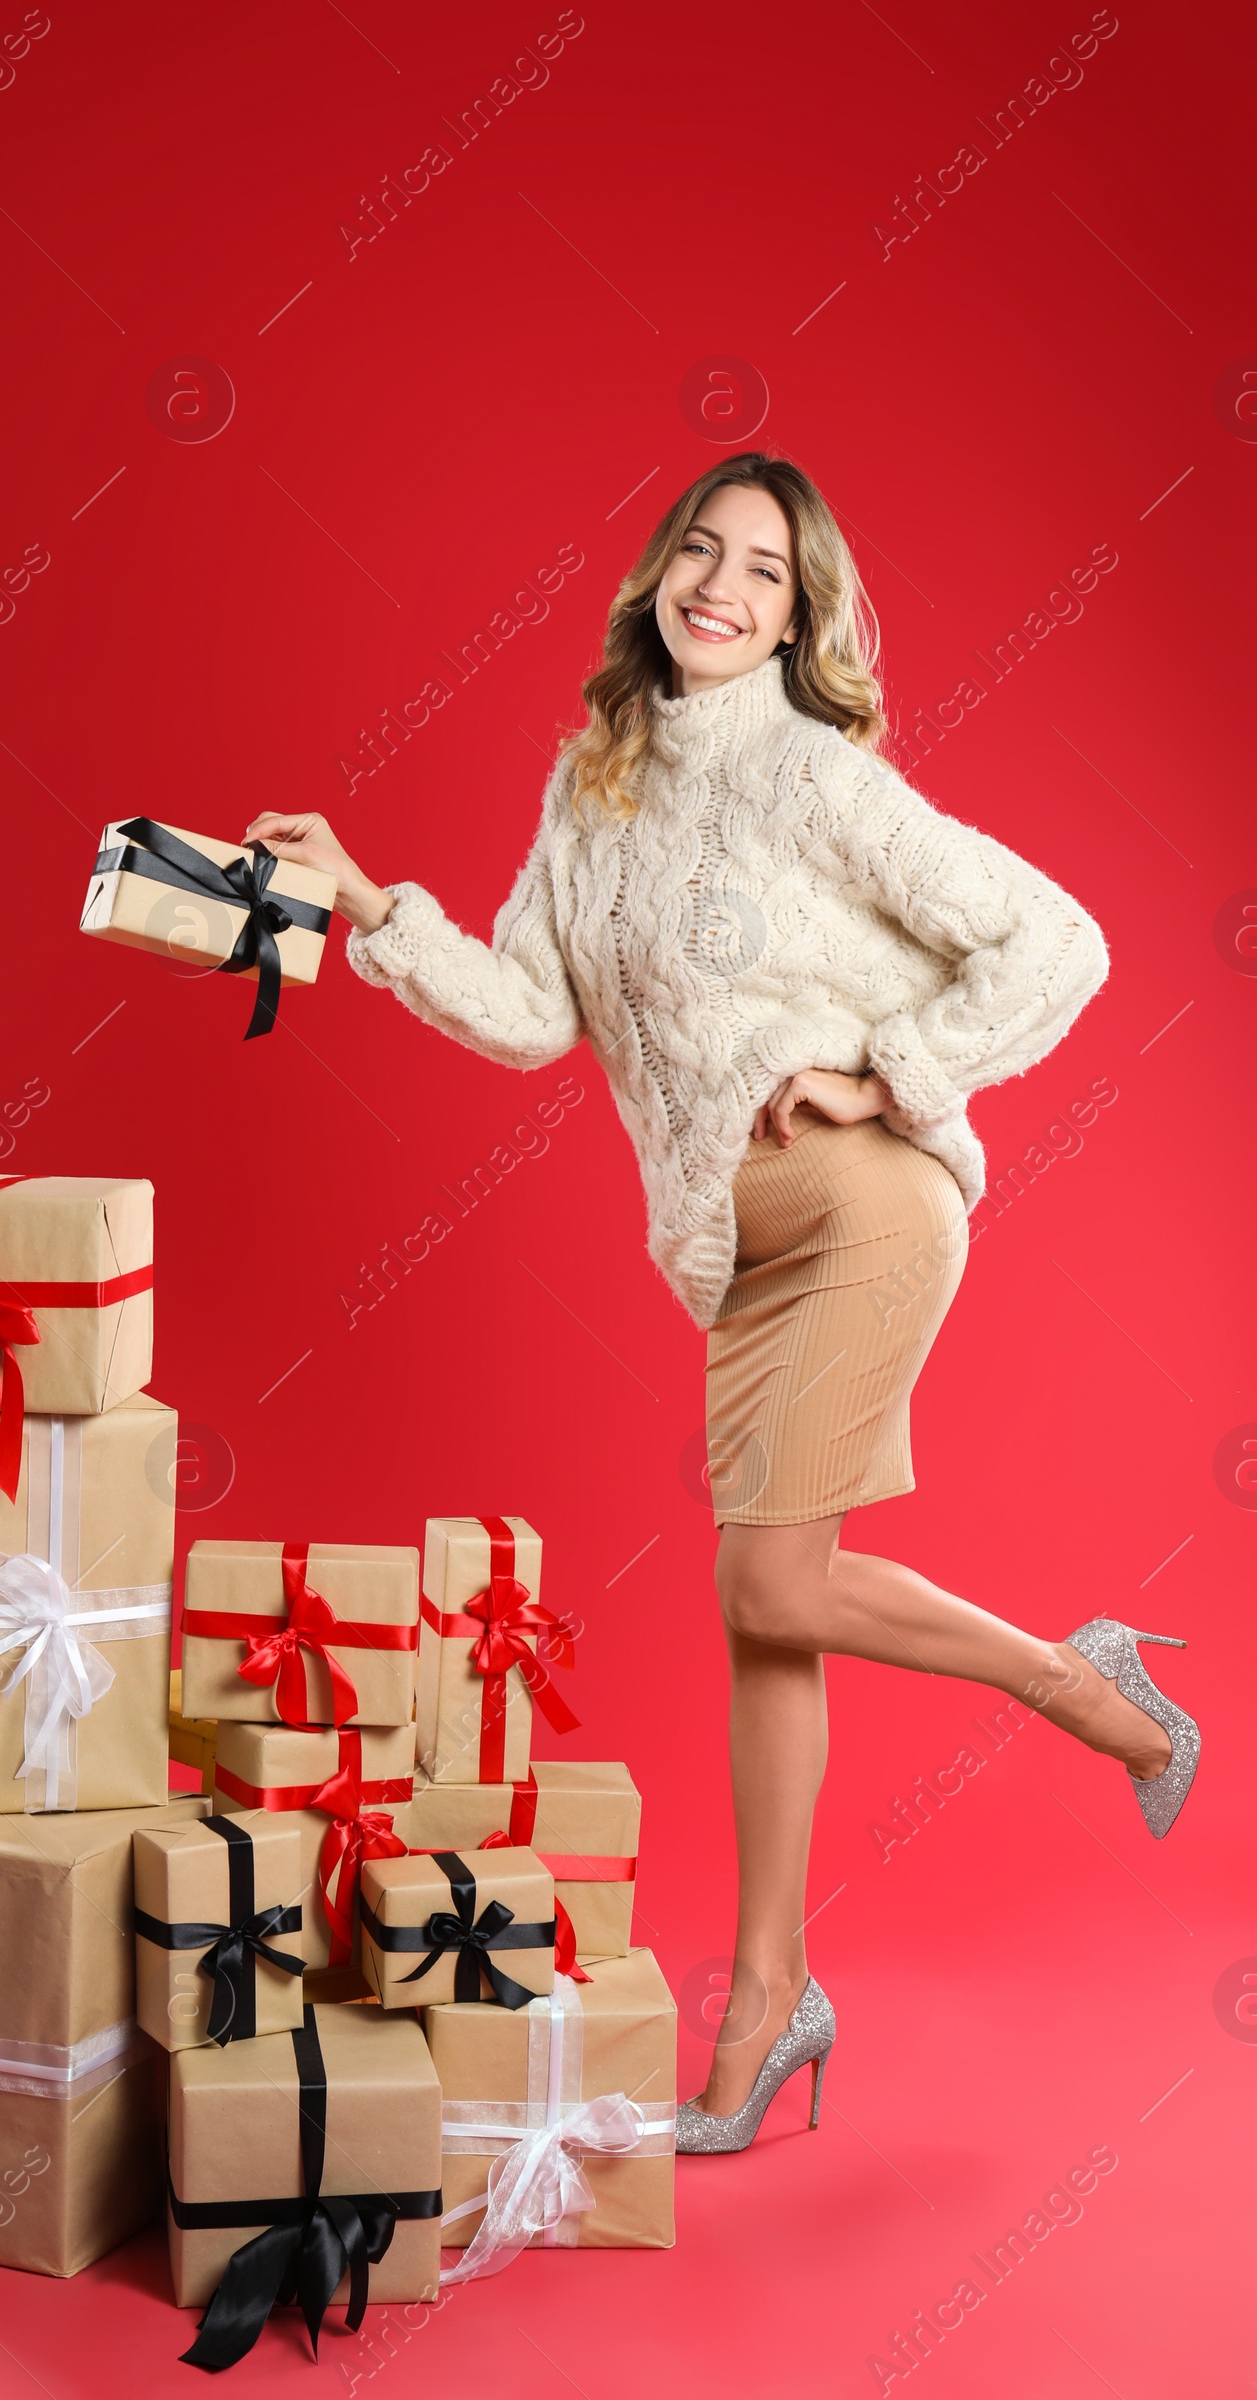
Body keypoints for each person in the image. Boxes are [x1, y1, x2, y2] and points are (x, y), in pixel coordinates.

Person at [244, 452, 1199, 2154]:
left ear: (797, 617)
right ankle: (770, 2000)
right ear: (658, 578)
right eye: (704, 551)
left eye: (766, 571)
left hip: (867, 1208)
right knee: (775, 1607)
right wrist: (367, 906)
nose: (725, 587)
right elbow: (532, 1014)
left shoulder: (820, 780)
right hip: (735, 1255)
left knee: (765, 1571)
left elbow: (1059, 939)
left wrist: (887, 1077)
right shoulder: (589, 784)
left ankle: (1084, 1690)